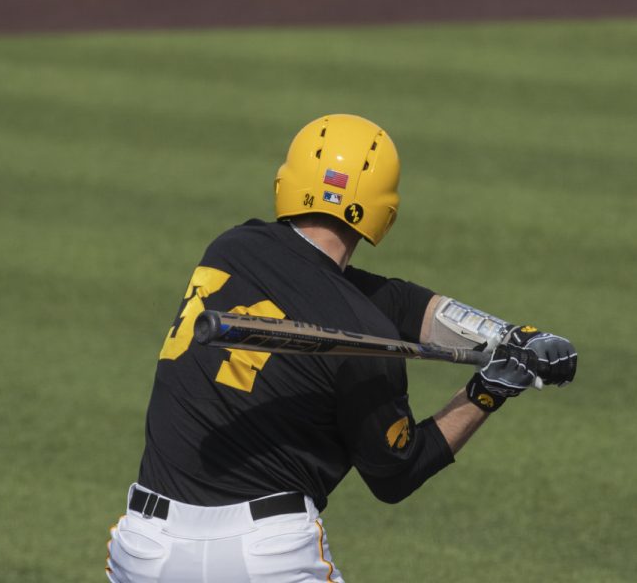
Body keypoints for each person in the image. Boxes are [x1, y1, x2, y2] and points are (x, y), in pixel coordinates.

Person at [105, 114, 577, 582]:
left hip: (147, 548)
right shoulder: (366, 343)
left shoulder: (233, 247)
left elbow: (393, 299)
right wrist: (487, 391)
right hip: (265, 558)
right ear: (382, 210)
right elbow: (397, 474)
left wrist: (508, 337)